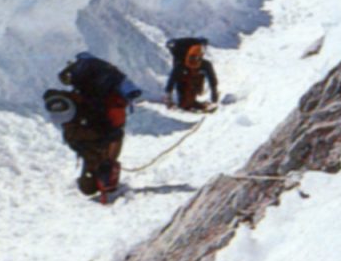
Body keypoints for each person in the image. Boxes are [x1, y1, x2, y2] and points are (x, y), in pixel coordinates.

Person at [44, 53, 141, 202]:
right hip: (104, 132)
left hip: (98, 136)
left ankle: (105, 183)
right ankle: (104, 181)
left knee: (93, 177)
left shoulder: (86, 96)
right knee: (96, 170)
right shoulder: (101, 95)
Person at [164, 37, 219, 112]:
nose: (193, 64)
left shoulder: (204, 64)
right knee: (183, 79)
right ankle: (185, 102)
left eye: (195, 61)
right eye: (191, 61)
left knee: (194, 78)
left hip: (189, 69)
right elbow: (172, 80)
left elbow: (211, 78)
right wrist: (168, 98)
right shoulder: (180, 65)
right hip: (183, 70)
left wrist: (214, 96)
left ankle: (190, 101)